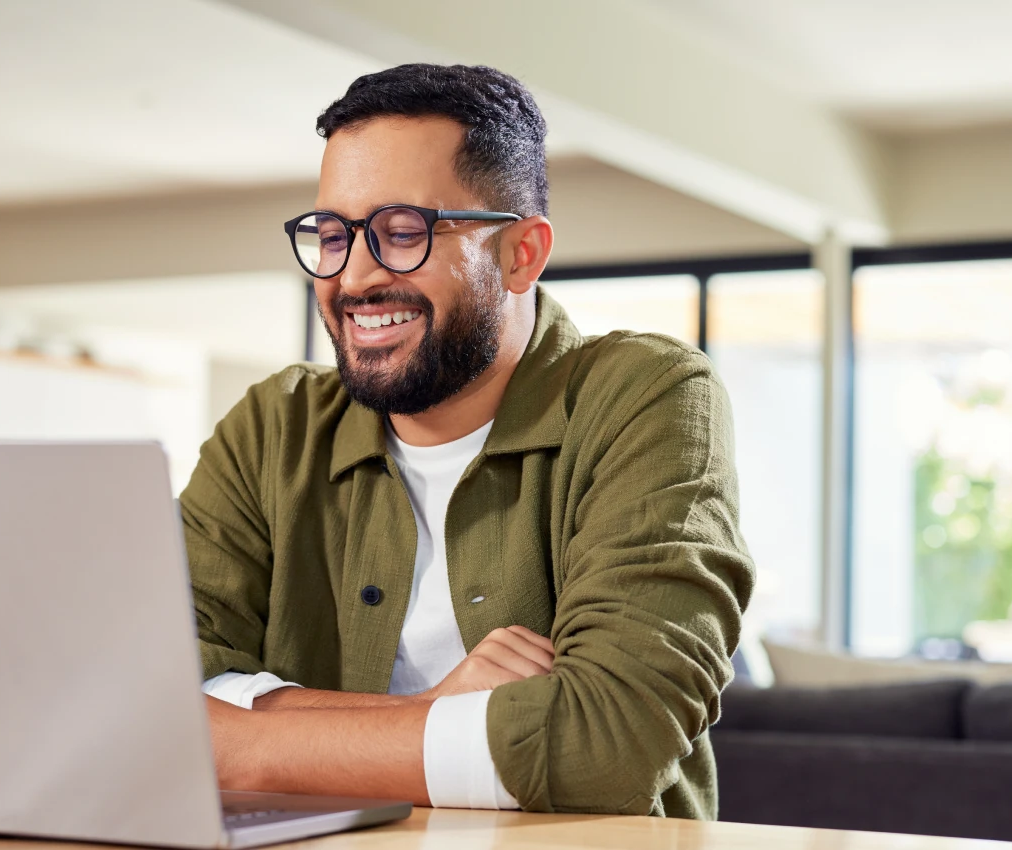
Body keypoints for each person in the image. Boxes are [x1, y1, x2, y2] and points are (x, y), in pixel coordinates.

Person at [188, 63, 753, 819]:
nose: (353, 277)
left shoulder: (646, 396)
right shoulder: (272, 427)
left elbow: (610, 740)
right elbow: (151, 688)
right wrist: (438, 714)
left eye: (402, 233)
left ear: (520, 253)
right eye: (331, 235)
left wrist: (244, 747)